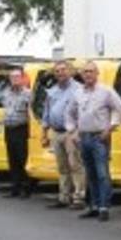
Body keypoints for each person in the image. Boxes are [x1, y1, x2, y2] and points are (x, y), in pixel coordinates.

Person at [66, 61, 121, 222]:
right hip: (83, 137)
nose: (88, 74)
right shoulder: (78, 93)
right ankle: (93, 206)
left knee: (102, 174)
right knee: (90, 174)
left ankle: (104, 207)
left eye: (91, 71)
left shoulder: (106, 91)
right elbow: (69, 113)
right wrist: (72, 131)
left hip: (100, 137)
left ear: (97, 73)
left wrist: (110, 127)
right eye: (85, 72)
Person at [42, 61, 86, 210]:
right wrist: (44, 133)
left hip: (71, 132)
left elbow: (82, 111)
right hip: (56, 132)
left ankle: (79, 197)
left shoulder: (79, 89)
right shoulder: (52, 91)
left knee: (75, 165)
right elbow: (46, 112)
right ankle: (64, 197)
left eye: (63, 70)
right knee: (62, 167)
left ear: (70, 71)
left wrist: (78, 132)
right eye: (57, 71)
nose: (60, 73)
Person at [1, 66, 33, 198]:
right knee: (12, 159)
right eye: (12, 77)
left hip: (21, 128)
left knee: (22, 159)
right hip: (8, 128)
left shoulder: (28, 93)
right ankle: (15, 187)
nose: (14, 79)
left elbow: (31, 112)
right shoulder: (6, 92)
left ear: (22, 78)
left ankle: (26, 188)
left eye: (17, 77)